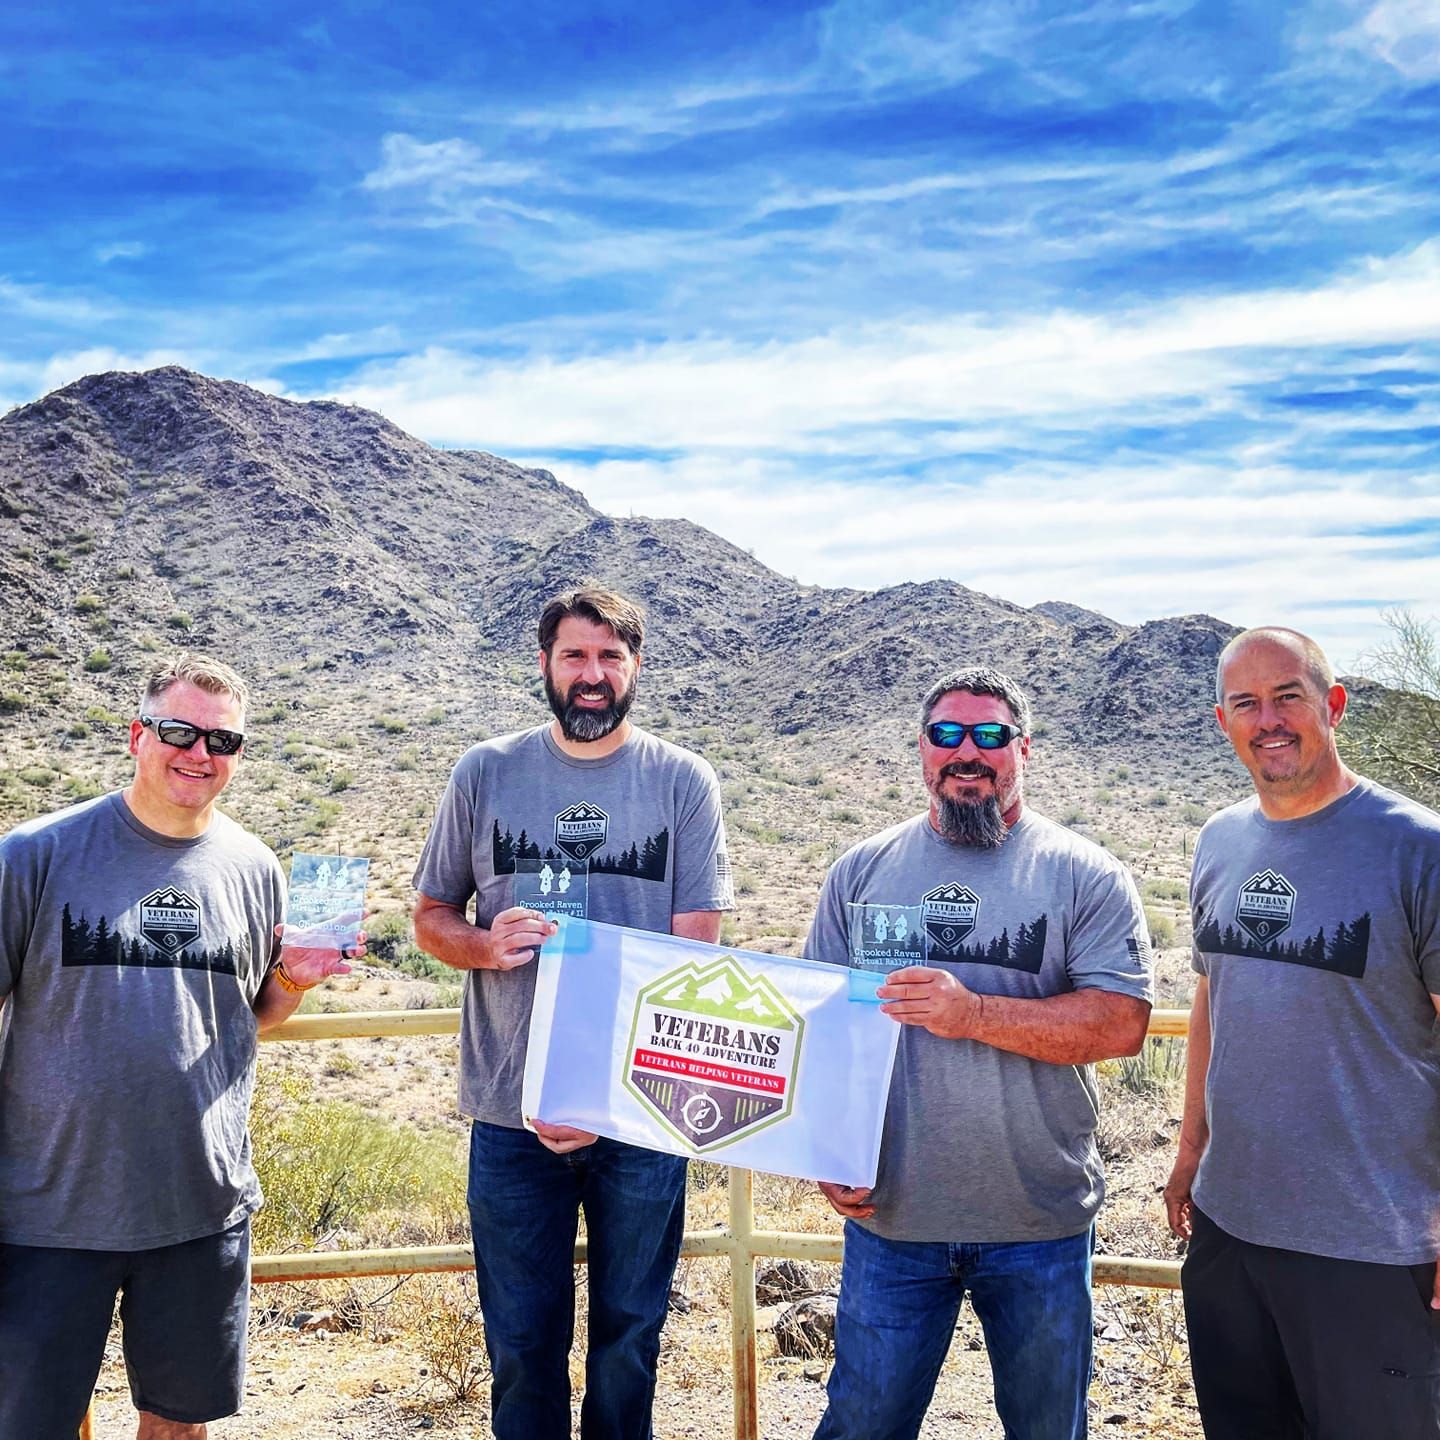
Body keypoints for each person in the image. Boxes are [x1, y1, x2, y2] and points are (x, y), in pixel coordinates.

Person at [0, 652, 358, 1440]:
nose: (200, 753)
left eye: (222, 741)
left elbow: (250, 1014)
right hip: (48, 1211)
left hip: (200, 1204)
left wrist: (293, 979)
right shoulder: (34, 853)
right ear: (137, 736)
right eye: (179, 732)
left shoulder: (256, 867)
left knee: (180, 1427)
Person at [412, 586, 732, 1440]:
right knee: (521, 1343)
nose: (592, 674)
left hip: (642, 1110)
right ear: (546, 665)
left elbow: (694, 955)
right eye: (575, 656)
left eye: (610, 657)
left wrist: (599, 1094)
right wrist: (486, 946)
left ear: (635, 667)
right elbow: (431, 918)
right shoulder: (485, 771)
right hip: (511, 1111)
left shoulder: (682, 781)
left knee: (631, 1337)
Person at [805, 665, 1153, 1440]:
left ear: (1023, 748)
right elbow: (820, 1025)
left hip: (1039, 1223)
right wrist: (826, 1150)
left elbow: (1121, 1023)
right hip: (892, 1219)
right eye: (948, 734)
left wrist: (973, 1014)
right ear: (922, 749)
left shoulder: (1085, 874)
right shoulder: (860, 871)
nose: (968, 751)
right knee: (862, 1424)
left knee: (1046, 1428)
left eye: (991, 734)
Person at [1164, 627, 1440, 1439]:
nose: (1269, 720)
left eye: (1288, 696)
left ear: (1334, 705)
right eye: (1246, 703)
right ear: (1223, 721)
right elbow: (1212, 997)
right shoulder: (1220, 840)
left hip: (1372, 1243)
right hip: (1229, 1230)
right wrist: (1190, 1150)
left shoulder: (1417, 848)